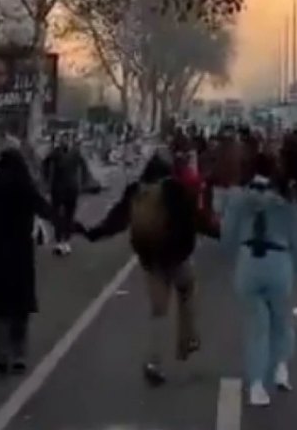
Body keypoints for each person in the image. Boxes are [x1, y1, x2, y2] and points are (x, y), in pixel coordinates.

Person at [75, 151, 218, 386]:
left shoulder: (136, 192)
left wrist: (92, 233)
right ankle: (188, 339)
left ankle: (154, 362)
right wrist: (222, 233)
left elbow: (116, 221)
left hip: (152, 260)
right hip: (178, 257)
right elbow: (197, 219)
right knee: (187, 290)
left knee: (158, 312)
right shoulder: (176, 189)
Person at [219, 153, 297, 407]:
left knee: (255, 326)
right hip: (279, 262)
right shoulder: (286, 200)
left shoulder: (237, 199)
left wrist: (233, 251)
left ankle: (257, 385)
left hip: (248, 263)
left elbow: (226, 237)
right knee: (282, 319)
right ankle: (281, 365)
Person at [0, 147, 55, 376]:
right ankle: (19, 355)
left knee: (0, 308)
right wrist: (70, 225)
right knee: (20, 307)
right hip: (20, 253)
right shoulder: (24, 185)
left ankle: (2, 356)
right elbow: (43, 208)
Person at [42, 135, 88, 256]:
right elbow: (45, 163)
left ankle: (66, 241)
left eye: (66, 140)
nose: (64, 142)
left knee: (69, 216)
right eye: (62, 140)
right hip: (57, 189)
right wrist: (46, 179)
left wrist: (84, 182)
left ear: (70, 142)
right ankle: (59, 242)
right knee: (57, 216)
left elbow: (84, 167)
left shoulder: (75, 153)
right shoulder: (55, 153)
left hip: (72, 189)